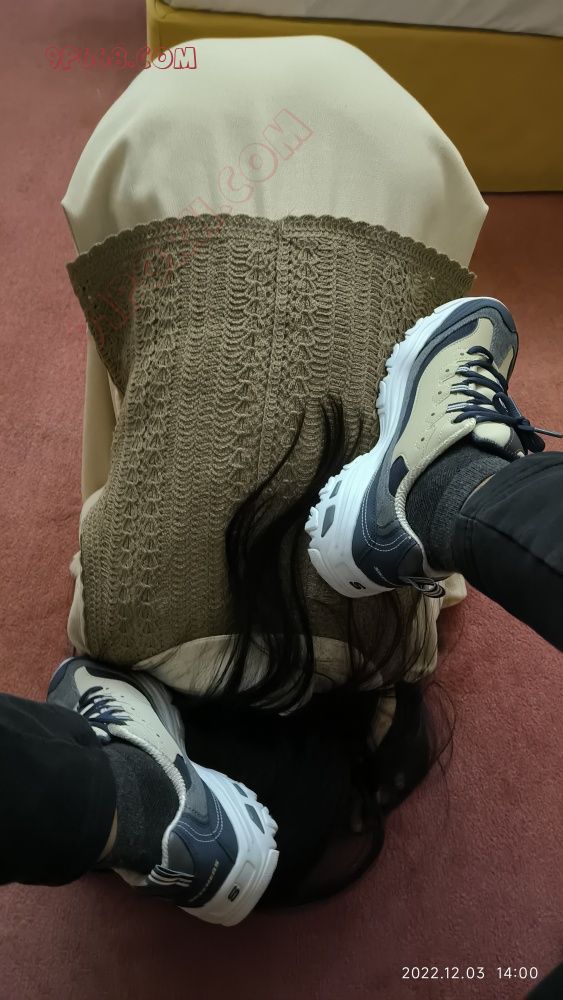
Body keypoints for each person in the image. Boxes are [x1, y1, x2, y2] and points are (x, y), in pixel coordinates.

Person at [1, 36, 561, 927]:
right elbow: (110, 510)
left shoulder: (393, 652)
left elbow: (438, 603)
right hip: (158, 130)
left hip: (390, 140)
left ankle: (444, 484)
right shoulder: (108, 631)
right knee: (157, 356)